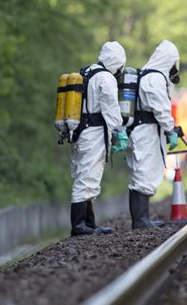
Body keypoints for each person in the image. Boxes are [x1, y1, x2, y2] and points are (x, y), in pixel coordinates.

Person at [70, 41, 128, 236]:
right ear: (117, 62)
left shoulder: (87, 71)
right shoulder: (106, 78)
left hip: (81, 132)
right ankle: (79, 225)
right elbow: (110, 108)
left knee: (87, 175)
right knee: (87, 177)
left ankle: (89, 223)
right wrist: (119, 132)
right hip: (93, 133)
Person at [126, 40, 180, 229]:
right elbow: (161, 109)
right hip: (146, 132)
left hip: (141, 130)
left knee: (141, 172)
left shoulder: (146, 75)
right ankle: (140, 221)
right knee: (144, 172)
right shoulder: (155, 79)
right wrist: (170, 129)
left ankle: (142, 219)